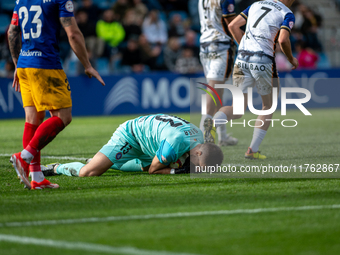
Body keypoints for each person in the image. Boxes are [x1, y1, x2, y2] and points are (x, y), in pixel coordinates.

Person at [8, 0, 105, 190]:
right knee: (63, 117)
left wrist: (16, 63)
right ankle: (24, 157)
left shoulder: (21, 0)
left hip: (24, 64)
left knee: (33, 118)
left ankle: (36, 177)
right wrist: (87, 64)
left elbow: (12, 32)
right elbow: (74, 34)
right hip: (46, 64)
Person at [206, 0, 299, 159]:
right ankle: (252, 150)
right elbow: (283, 40)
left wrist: (245, 47)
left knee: (237, 109)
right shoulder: (286, 13)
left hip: (241, 59)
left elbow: (233, 26)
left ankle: (211, 126)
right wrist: (291, 59)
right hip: (263, 60)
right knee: (268, 106)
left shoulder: (256, 4)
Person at [41, 114, 224, 176]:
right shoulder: (175, 143)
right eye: (199, 166)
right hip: (131, 136)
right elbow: (154, 170)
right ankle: (56, 168)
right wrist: (178, 171)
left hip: (151, 139)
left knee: (163, 162)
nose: (197, 170)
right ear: (199, 153)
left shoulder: (198, 137)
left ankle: (104, 160)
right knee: (89, 173)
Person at [198, 0, 238, 147]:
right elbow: (231, 22)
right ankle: (203, 133)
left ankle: (223, 136)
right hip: (221, 44)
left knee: (217, 92)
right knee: (214, 88)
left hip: (205, 44)